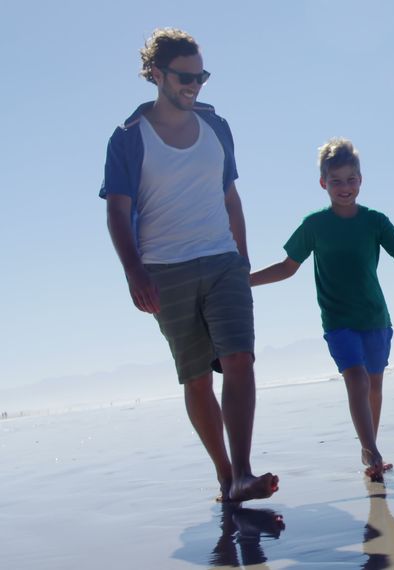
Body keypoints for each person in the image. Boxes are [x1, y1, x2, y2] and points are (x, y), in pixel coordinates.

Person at [100, 28, 277, 502]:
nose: (194, 85)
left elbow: (230, 196)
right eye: (185, 76)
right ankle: (224, 474)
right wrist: (135, 272)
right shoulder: (127, 139)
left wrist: (242, 257)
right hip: (164, 269)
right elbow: (117, 211)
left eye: (201, 76)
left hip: (222, 260)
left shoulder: (217, 127)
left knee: (239, 358)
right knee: (196, 375)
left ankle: (243, 472)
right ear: (156, 74)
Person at [249, 137, 394, 481]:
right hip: (339, 321)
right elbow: (286, 267)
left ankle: (370, 445)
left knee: (373, 385)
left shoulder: (375, 221)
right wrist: (244, 281)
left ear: (361, 180)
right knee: (355, 378)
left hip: (375, 318)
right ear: (323, 182)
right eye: (336, 180)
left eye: (350, 179)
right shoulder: (314, 225)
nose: (344, 187)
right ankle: (372, 453)